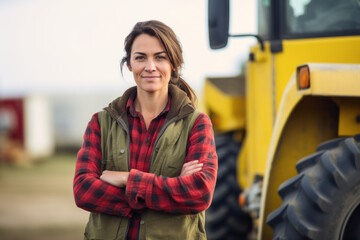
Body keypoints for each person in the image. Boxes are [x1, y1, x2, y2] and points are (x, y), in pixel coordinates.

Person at [73, 20, 218, 240]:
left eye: (160, 57)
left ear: (173, 64)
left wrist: (127, 180)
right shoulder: (100, 123)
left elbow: (198, 193)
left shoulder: (197, 124)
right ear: (129, 64)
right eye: (140, 57)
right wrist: (170, 187)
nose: (150, 67)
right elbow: (84, 190)